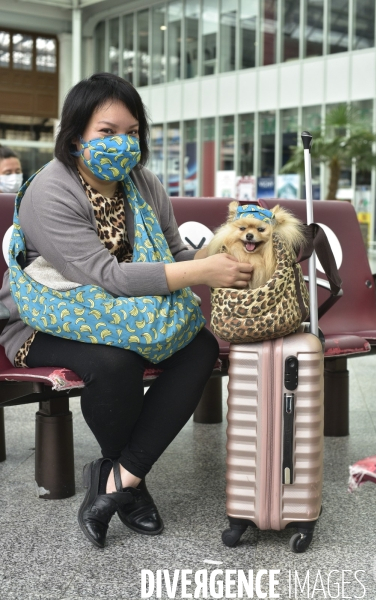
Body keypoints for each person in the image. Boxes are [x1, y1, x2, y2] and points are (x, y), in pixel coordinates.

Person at [0, 73, 253, 548]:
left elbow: (175, 254)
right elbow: (108, 277)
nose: (123, 142)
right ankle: (131, 487)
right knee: (116, 363)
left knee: (198, 346)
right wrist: (202, 274)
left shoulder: (144, 184)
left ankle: (118, 481)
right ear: (76, 137)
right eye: (107, 131)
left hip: (125, 318)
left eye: (132, 131)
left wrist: (224, 253)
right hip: (43, 321)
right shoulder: (50, 191)